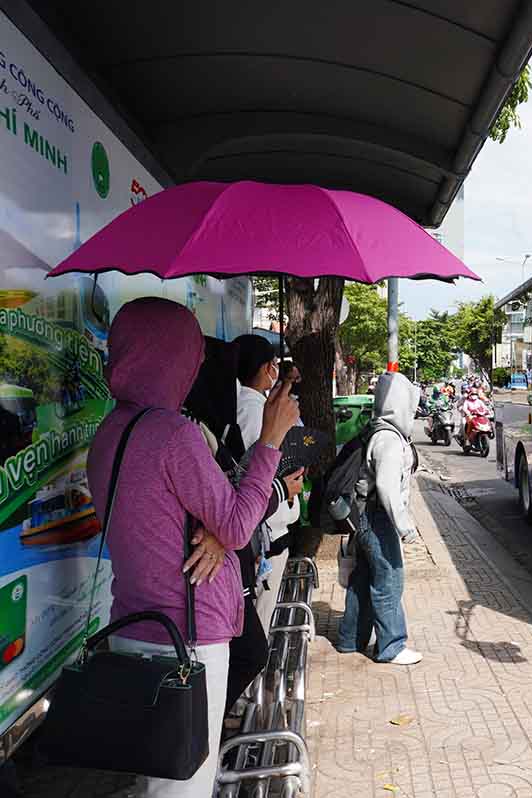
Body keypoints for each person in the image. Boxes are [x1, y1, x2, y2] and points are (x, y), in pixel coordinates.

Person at [87, 298, 299, 798]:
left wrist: (216, 535)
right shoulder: (172, 434)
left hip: (134, 628)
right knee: (183, 784)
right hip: (186, 638)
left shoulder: (109, 432)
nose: (196, 367)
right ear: (166, 357)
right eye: (189, 354)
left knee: (158, 775)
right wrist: (270, 440)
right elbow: (238, 523)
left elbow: (157, 526)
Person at [182, 336, 303, 715]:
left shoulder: (207, 427)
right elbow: (234, 519)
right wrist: (273, 445)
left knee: (249, 653)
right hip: (203, 601)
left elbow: (229, 507)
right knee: (248, 655)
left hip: (221, 586)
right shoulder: (186, 433)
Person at [336, 372, 422, 665]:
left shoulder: (378, 431)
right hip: (377, 518)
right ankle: (391, 647)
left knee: (363, 578)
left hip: (364, 515)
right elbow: (386, 486)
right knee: (389, 579)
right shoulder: (389, 440)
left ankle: (350, 639)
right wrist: (405, 526)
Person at [234, 334, 302, 634]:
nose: (276, 370)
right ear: (266, 368)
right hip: (265, 527)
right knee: (259, 622)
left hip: (270, 521)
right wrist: (284, 486)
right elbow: (257, 468)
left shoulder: (260, 405)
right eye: (274, 364)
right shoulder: (251, 410)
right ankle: (255, 679)